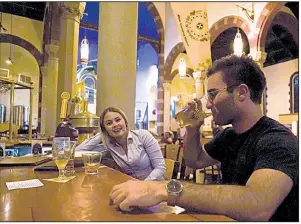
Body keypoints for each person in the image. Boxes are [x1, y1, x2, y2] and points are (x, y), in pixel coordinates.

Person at [109, 54, 298, 221]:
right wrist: (193, 129)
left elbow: (258, 206)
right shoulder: (229, 136)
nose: (208, 105)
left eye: (213, 94)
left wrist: (162, 189)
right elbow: (194, 160)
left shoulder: (278, 140)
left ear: (241, 92)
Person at [77, 106, 166, 181]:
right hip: (131, 189)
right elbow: (78, 151)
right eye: (109, 123)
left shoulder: (143, 135)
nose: (115, 124)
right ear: (104, 129)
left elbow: (160, 167)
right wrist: (101, 135)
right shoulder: (108, 146)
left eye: (118, 120)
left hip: (154, 186)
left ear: (125, 122)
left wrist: (142, 185)